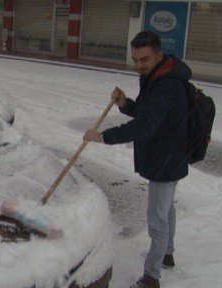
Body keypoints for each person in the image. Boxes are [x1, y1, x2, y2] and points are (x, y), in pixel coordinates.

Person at [83, 30, 191, 288]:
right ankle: (167, 253)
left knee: (157, 219)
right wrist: (124, 103)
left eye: (145, 59)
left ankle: (152, 277)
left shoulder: (166, 85)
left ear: (159, 55)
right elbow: (145, 112)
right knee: (167, 209)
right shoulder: (156, 76)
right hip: (169, 155)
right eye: (136, 60)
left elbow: (145, 125)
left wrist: (103, 137)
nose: (139, 65)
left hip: (167, 158)